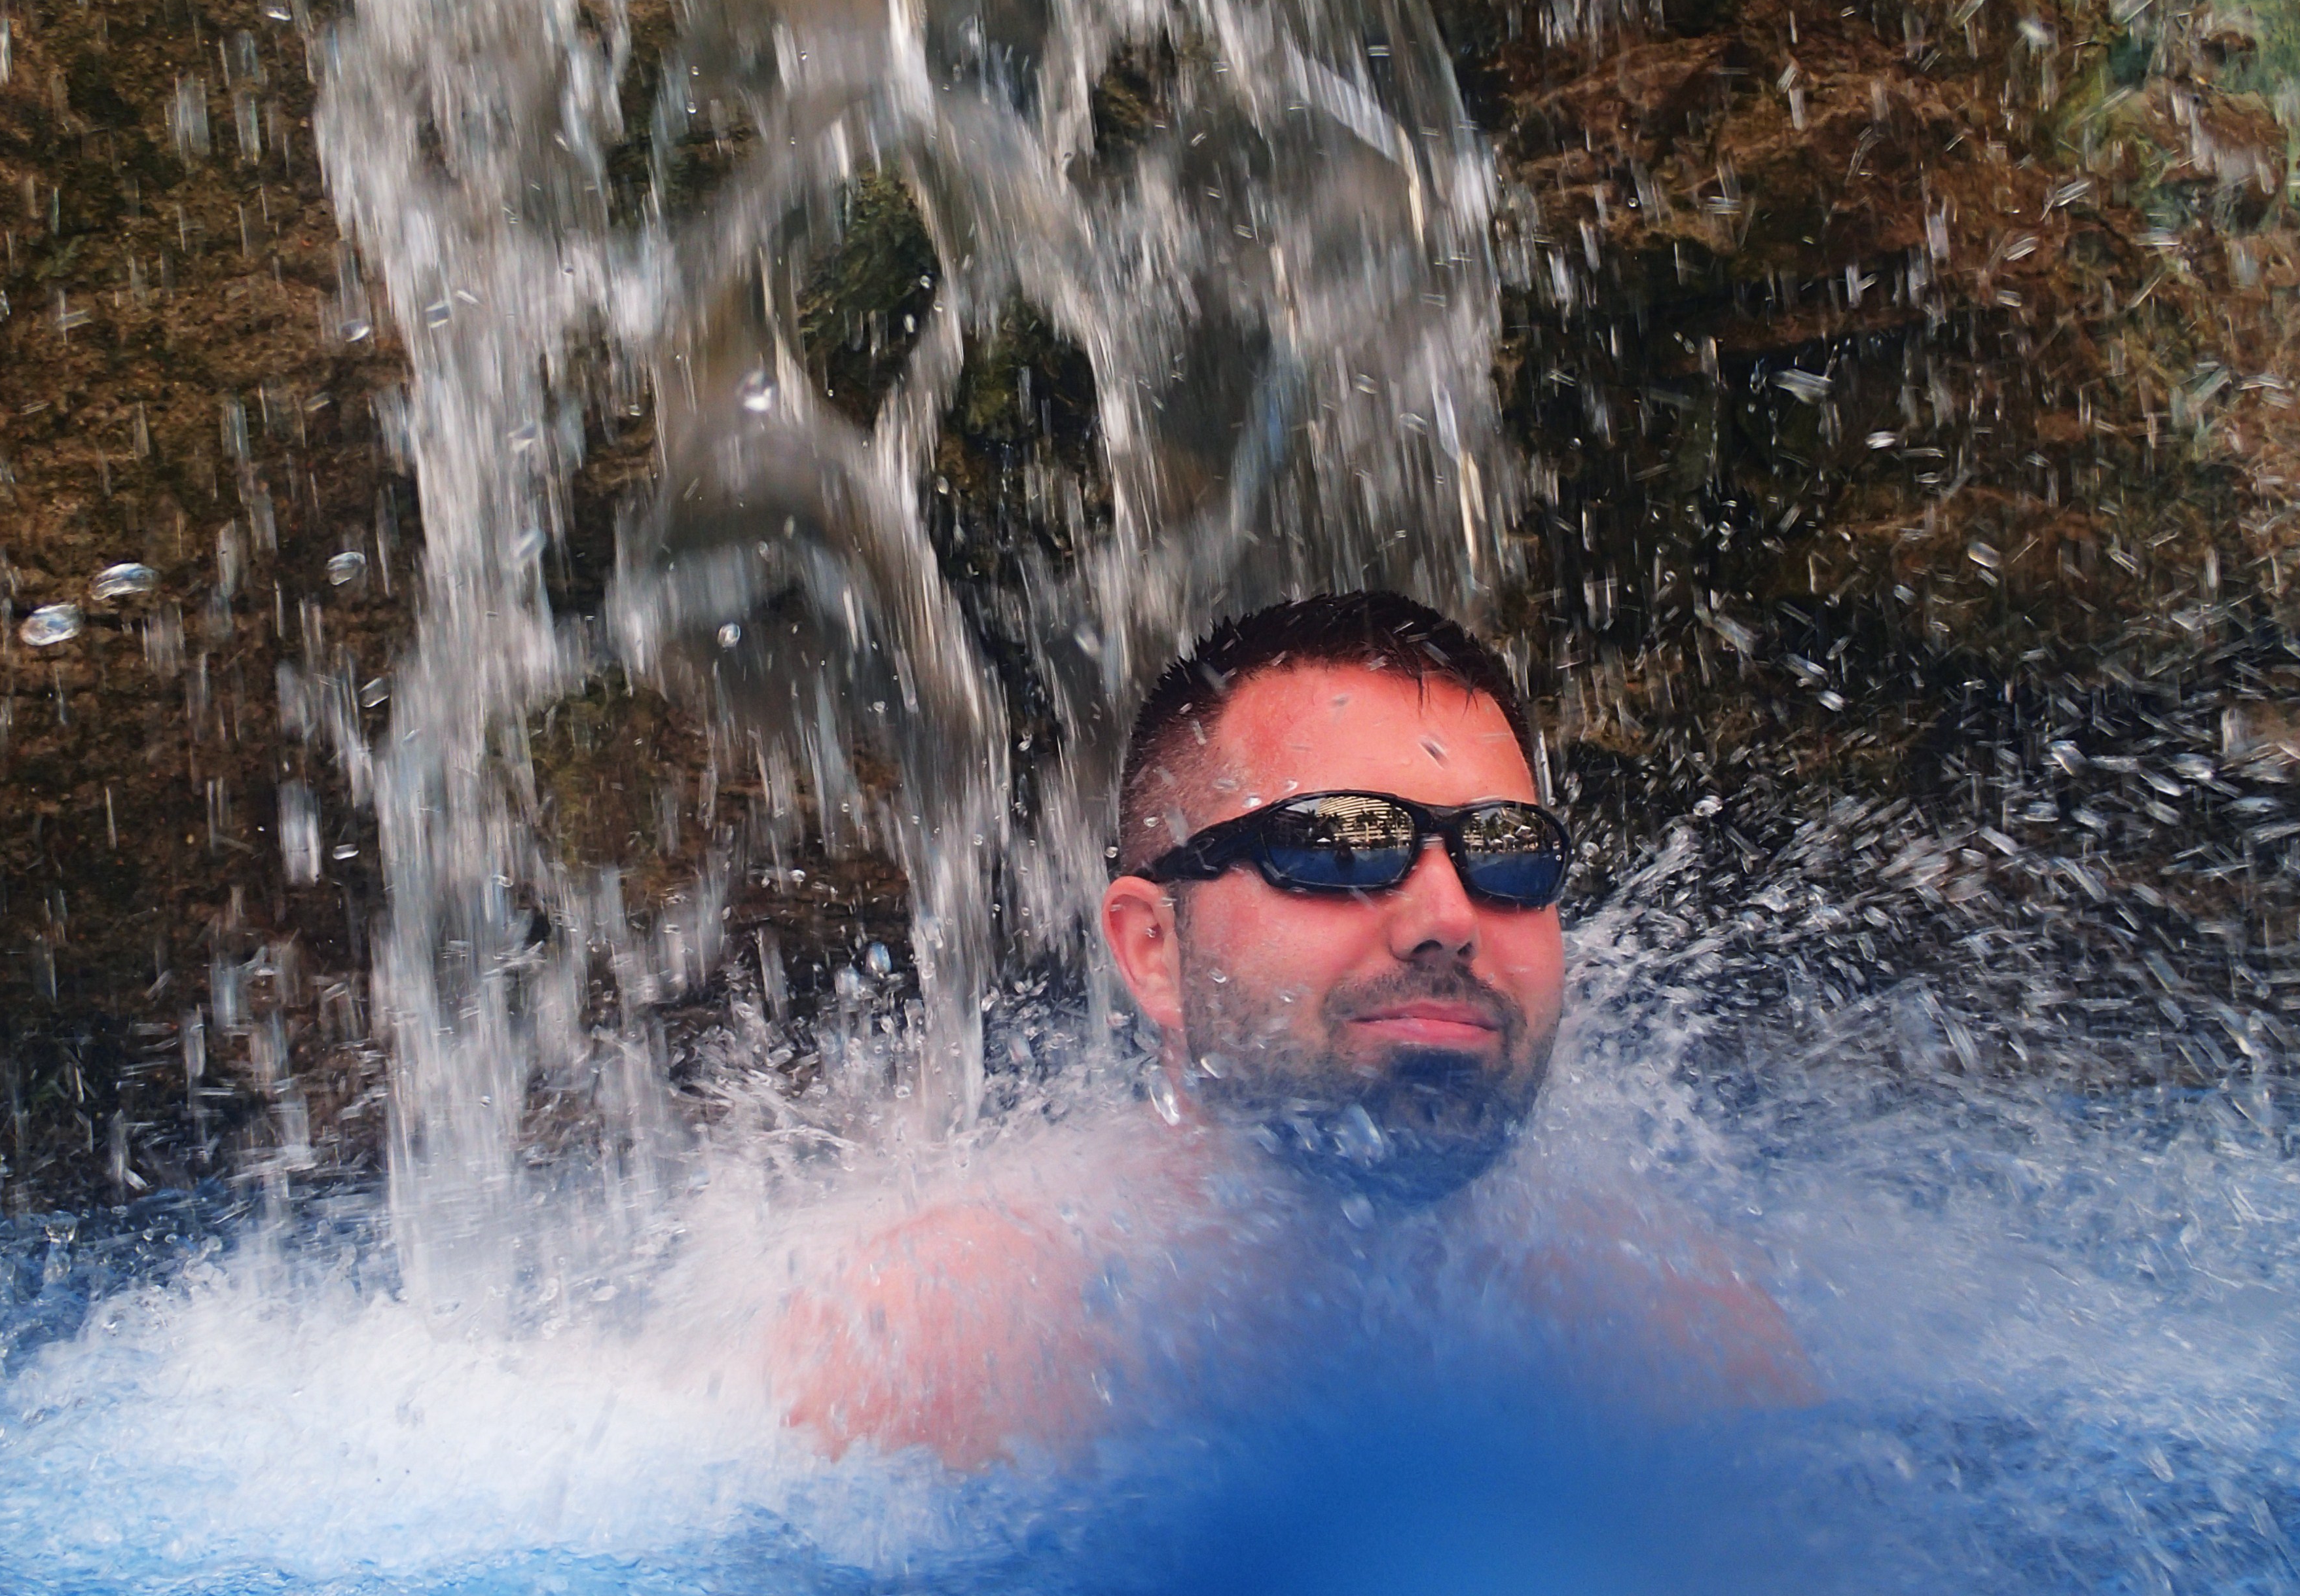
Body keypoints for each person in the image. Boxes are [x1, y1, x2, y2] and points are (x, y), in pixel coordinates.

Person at [771, 592, 1812, 1466]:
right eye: (1340, 846)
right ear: (1153, 951)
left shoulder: (1685, 1349)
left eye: (1508, 854)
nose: (1449, 919)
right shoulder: (934, 1354)